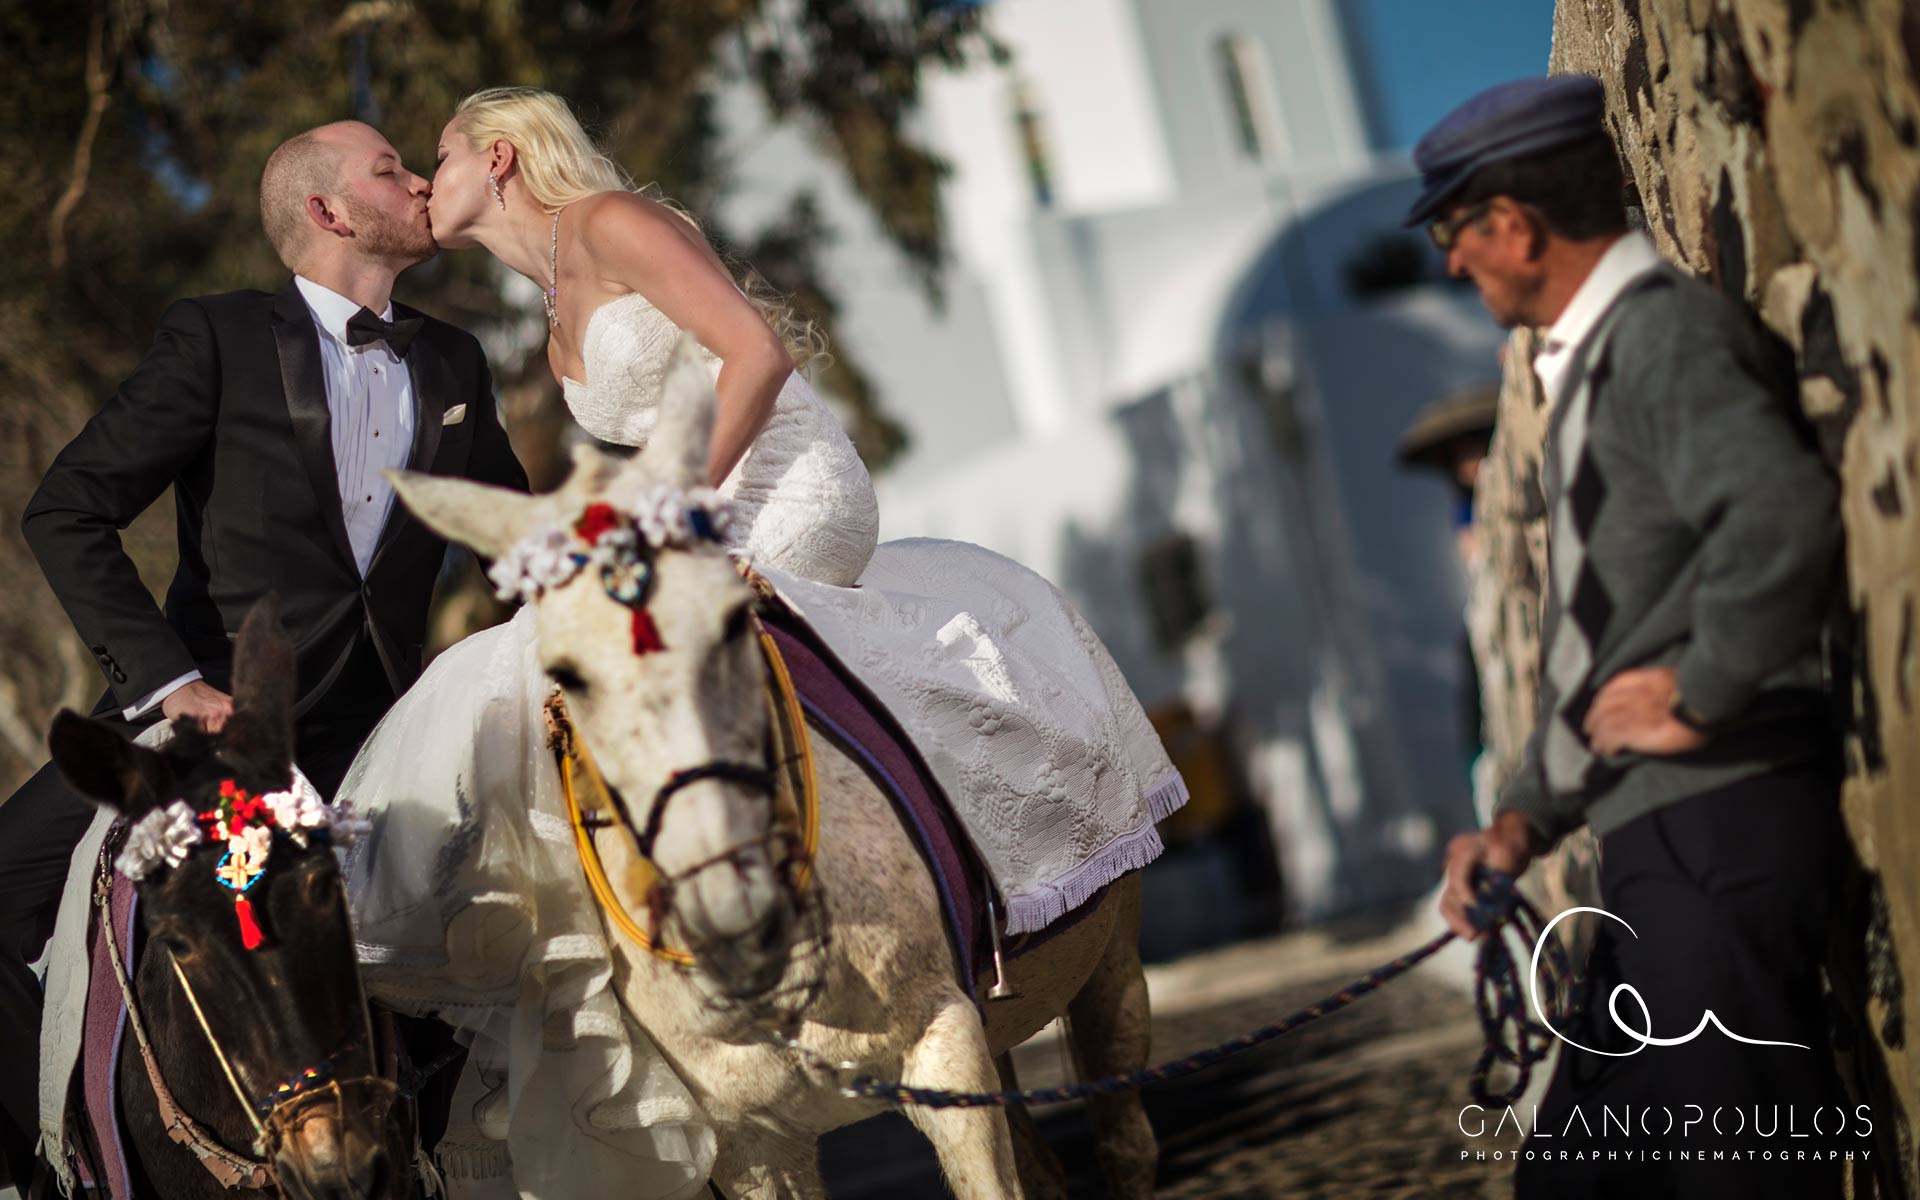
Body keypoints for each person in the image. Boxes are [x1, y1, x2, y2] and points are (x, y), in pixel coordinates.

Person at [339, 86, 1185, 1199]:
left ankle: (960, 886)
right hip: (681, 521)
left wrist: (672, 511)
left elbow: (753, 353)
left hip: (784, 490)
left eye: (434, 159)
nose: (420, 181)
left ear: (497, 157)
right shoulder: (546, 304)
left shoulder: (612, 223)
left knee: (724, 647)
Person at [0, 119, 529, 1191]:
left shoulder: (455, 358)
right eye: (392, 169)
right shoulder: (217, 336)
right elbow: (67, 511)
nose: (421, 180)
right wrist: (170, 686)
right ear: (328, 212)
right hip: (212, 740)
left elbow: (519, 535)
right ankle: (52, 1170)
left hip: (383, 743)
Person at [1419, 78, 1848, 1196]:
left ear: (1511, 226)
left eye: (1452, 235)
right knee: (1567, 1177)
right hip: (1663, 843)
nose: (1453, 266)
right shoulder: (1610, 357)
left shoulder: (1658, 340)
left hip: (1721, 824)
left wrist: (1699, 693)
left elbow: (1783, 517)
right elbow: (1606, 640)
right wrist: (1520, 823)